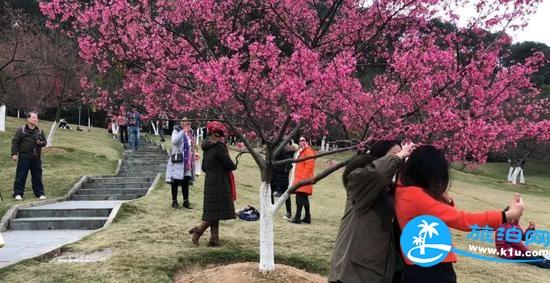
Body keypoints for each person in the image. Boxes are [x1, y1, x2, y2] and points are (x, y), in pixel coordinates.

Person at [395, 145, 524, 283]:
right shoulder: (416, 196)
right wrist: (507, 216)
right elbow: (463, 220)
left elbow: (442, 213)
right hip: (431, 269)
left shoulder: (404, 189)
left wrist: (446, 198)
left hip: (420, 263)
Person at [328, 140, 410, 283]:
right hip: (352, 272)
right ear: (377, 158)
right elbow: (377, 174)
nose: (400, 159)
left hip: (372, 271)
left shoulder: (388, 190)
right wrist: (398, 157)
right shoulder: (360, 180)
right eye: (394, 155)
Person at [189, 121, 237, 246]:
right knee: (215, 212)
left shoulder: (207, 146)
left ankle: (214, 239)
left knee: (214, 211)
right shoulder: (219, 146)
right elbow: (229, 164)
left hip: (210, 181)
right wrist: (234, 164)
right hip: (220, 182)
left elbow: (204, 167)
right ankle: (198, 231)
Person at [11, 112, 47, 200]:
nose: (36, 119)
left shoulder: (40, 131)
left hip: (36, 158)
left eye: (37, 118)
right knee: (21, 175)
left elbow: (45, 143)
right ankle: (18, 193)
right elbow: (15, 142)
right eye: (34, 117)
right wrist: (14, 153)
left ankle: (39, 194)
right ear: (28, 119)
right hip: (24, 157)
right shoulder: (21, 130)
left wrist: (41, 143)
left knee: (37, 176)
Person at [165, 117, 197, 209]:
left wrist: (194, 154)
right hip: (178, 160)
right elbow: (174, 142)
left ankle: (186, 201)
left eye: (186, 120)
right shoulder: (176, 130)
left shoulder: (191, 133)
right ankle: (174, 201)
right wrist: (183, 131)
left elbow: (192, 145)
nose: (184, 122)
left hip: (187, 161)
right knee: (175, 181)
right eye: (182, 121)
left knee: (186, 181)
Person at [289, 136, 317, 224]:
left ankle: (298, 217)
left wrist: (303, 179)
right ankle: (307, 217)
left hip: (303, 179)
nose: (301, 142)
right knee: (303, 198)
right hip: (301, 178)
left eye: (303, 140)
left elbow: (309, 165)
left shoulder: (308, 151)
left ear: (307, 141)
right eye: (300, 140)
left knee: (299, 198)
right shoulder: (302, 151)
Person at [270, 142, 298, 219]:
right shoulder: (287, 151)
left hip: (280, 174)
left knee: (285, 194)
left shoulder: (284, 151)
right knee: (272, 192)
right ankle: (271, 208)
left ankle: (288, 212)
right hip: (277, 174)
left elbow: (288, 164)